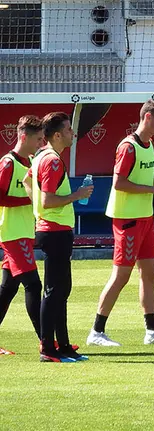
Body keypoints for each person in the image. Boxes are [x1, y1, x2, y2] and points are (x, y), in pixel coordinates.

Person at [86, 100, 154, 347]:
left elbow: (141, 176)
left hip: (144, 218)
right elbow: (119, 183)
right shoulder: (128, 146)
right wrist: (153, 188)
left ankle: (151, 331)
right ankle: (96, 331)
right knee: (121, 275)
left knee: (149, 273)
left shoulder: (149, 145)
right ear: (148, 117)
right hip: (127, 219)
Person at [25, 112, 92, 362]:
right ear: (57, 135)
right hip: (55, 231)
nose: (72, 134)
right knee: (55, 290)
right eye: (68, 130)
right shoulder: (52, 160)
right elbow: (48, 200)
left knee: (62, 289)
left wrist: (37, 212)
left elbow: (27, 181)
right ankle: (47, 348)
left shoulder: (41, 155)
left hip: (51, 229)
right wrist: (77, 195)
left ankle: (62, 345)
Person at [0, 115, 45, 355]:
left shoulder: (29, 162)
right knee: (33, 284)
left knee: (8, 289)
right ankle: (45, 341)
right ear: (23, 136)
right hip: (12, 233)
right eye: (37, 139)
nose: (40, 144)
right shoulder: (8, 163)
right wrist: (30, 199)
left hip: (23, 232)